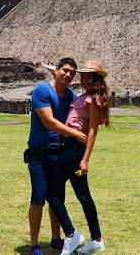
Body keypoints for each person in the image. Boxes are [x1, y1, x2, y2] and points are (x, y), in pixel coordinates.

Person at [46, 60, 110, 254]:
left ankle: (71, 234)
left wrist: (85, 159)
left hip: (75, 150)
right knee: (84, 197)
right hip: (71, 147)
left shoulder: (93, 99)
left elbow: (92, 132)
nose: (85, 80)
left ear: (97, 79)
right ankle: (97, 240)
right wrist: (54, 71)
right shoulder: (84, 96)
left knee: (49, 190)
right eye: (83, 76)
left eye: (89, 77)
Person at [27, 58, 87, 255]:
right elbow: (49, 122)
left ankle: (56, 239)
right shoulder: (42, 91)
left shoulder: (70, 95)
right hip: (39, 154)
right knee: (38, 198)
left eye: (72, 73)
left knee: (57, 198)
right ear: (58, 70)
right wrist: (76, 134)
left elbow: (84, 101)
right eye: (65, 71)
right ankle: (34, 244)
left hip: (59, 153)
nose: (68, 75)